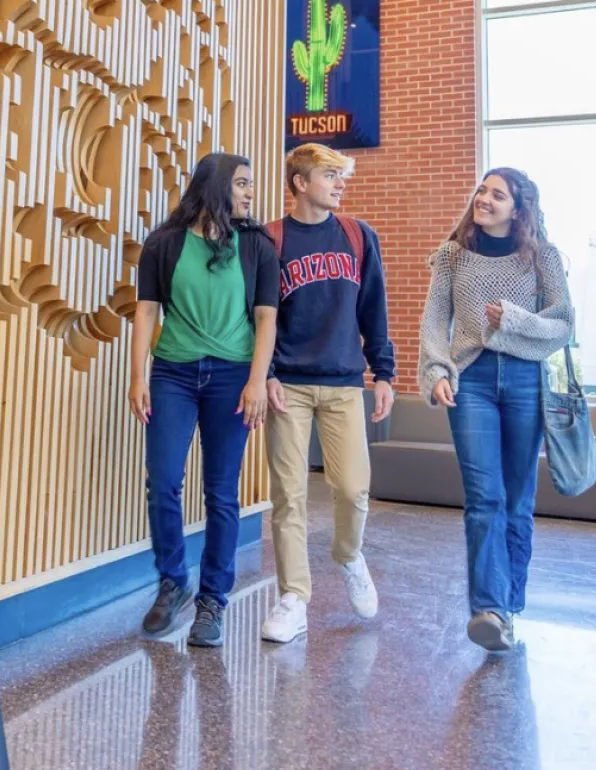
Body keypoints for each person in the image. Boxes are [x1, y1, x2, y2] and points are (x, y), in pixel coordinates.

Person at [418, 167, 574, 652]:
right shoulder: (452, 255)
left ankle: (508, 604)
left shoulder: (542, 256)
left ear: (518, 207)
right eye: (482, 191)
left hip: (527, 381)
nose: (484, 199)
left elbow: (564, 323)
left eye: (497, 194)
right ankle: (488, 609)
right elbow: (433, 319)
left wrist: (515, 318)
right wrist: (436, 371)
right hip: (474, 382)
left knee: (516, 500)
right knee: (484, 498)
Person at [129, 152, 280, 648]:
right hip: (172, 372)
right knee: (164, 481)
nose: (249, 193)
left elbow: (266, 321)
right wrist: (138, 377)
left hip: (232, 378)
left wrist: (257, 381)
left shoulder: (256, 244)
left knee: (221, 491)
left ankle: (213, 598)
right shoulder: (164, 243)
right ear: (214, 185)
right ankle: (174, 582)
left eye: (251, 185)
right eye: (241, 183)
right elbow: (146, 313)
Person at [260, 143, 396, 644]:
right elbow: (258, 317)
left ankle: (347, 554)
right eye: (330, 175)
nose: (340, 184)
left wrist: (383, 373)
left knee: (353, 488)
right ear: (299, 182)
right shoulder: (270, 240)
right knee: (288, 495)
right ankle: (294, 596)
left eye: (342, 176)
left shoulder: (359, 237)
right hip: (288, 385)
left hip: (343, 384)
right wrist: (267, 373)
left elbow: (373, 309)